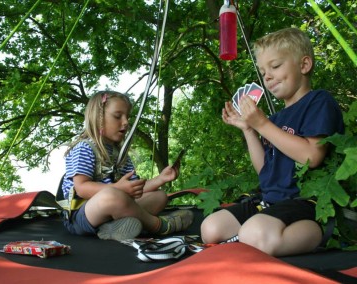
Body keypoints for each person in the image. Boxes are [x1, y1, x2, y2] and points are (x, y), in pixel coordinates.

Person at [200, 28, 344, 256]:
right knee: (210, 229)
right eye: (263, 71)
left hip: (306, 202)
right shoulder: (274, 119)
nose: (267, 77)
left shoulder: (318, 101)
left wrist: (262, 125)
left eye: (275, 66)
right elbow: (264, 172)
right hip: (269, 201)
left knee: (254, 233)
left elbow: (313, 156)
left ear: (304, 65)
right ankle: (257, 236)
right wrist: (250, 129)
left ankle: (319, 232)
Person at [61, 90, 193, 241]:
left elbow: (135, 189)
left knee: (160, 196)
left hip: (111, 210)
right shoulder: (84, 148)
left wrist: (161, 179)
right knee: (112, 195)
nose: (125, 122)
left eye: (127, 117)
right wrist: (118, 189)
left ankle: (112, 228)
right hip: (82, 216)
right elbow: (82, 188)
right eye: (117, 116)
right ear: (98, 118)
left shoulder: (120, 153)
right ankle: (159, 226)